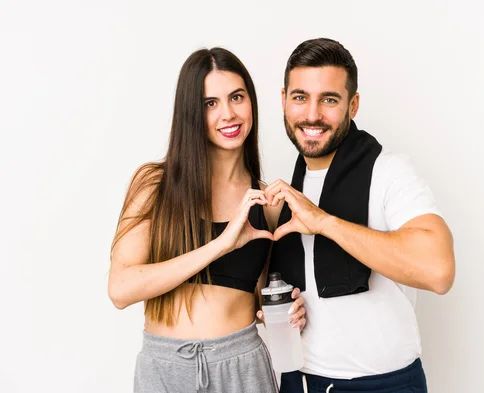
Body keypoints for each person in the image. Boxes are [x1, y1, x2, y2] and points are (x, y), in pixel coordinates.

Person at [259, 38, 456, 393]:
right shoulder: (287, 189)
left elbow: (438, 271)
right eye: (300, 97)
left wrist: (325, 223)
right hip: (298, 382)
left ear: (353, 105)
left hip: (381, 385)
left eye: (329, 100)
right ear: (284, 100)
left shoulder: (389, 172)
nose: (312, 114)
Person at [108, 47, 306, 393]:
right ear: (191, 113)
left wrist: (289, 309)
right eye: (209, 103)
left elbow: (265, 297)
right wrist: (221, 244)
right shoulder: (155, 185)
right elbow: (121, 289)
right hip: (166, 369)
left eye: (237, 97)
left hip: (242, 364)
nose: (228, 114)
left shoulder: (269, 204)